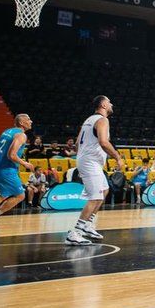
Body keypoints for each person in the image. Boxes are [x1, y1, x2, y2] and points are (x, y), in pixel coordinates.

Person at [65, 96, 125, 246]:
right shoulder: (103, 120)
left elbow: (78, 143)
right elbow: (104, 142)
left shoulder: (88, 120)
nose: (112, 104)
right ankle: (76, 232)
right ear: (104, 105)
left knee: (104, 190)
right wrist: (118, 157)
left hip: (88, 161)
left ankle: (88, 225)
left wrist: (82, 161)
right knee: (96, 197)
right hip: (90, 162)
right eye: (110, 102)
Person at [0, 114, 34, 234]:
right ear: (21, 122)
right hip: (6, 170)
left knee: (3, 194)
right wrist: (25, 164)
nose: (31, 121)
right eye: (28, 119)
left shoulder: (7, 131)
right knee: (20, 196)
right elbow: (12, 155)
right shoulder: (21, 135)